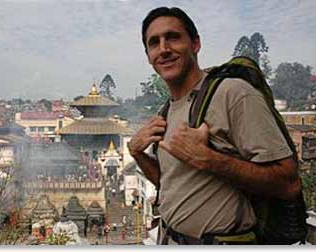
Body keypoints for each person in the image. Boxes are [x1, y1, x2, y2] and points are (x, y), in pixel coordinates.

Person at [127, 7, 301, 245]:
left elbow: (288, 183)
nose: (164, 49)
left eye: (173, 37)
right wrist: (137, 153)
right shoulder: (165, 112)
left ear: (196, 44)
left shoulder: (232, 94)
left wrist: (208, 159)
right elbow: (171, 185)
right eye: (154, 43)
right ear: (148, 56)